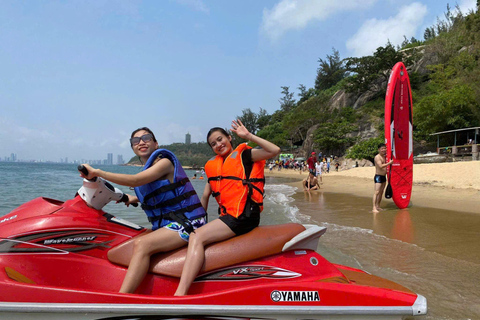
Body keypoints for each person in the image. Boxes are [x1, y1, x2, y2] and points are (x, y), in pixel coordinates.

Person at [80, 127, 206, 294]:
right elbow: (161, 192)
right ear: (133, 147)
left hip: (189, 222)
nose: (141, 142)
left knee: (142, 244)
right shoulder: (150, 170)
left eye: (146, 138)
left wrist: (98, 172)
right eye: (135, 141)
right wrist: (130, 198)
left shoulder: (164, 163)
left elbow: (136, 180)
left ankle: (121, 299)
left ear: (155, 144)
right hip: (172, 223)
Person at [174, 119, 281, 296]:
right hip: (230, 216)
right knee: (199, 233)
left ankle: (181, 293)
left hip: (244, 215)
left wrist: (248, 136)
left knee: (197, 237)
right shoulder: (215, 167)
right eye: (213, 144)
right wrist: (199, 219)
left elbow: (274, 150)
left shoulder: (244, 155)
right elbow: (206, 195)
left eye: (220, 139)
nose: (218, 144)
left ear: (229, 138)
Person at [373, 143, 394, 213]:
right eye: (382, 149)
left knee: (381, 192)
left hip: (384, 177)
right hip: (378, 176)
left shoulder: (385, 156)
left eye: (384, 148)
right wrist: (389, 163)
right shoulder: (377, 157)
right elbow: (381, 166)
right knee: (377, 192)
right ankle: (374, 208)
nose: (383, 150)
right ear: (379, 150)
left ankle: (378, 206)